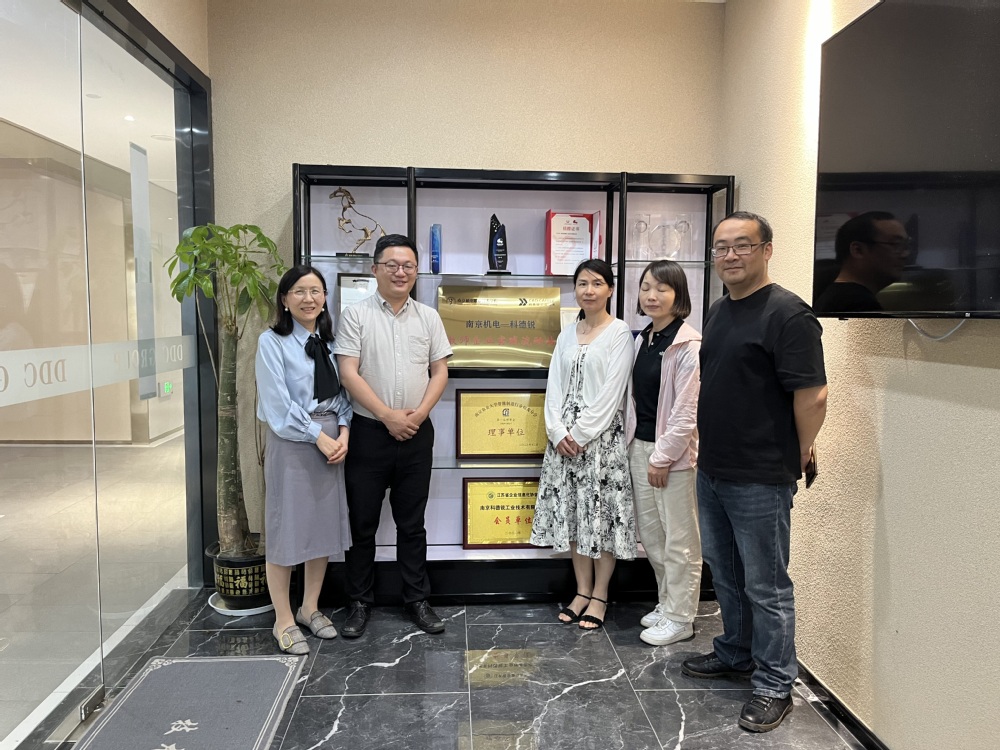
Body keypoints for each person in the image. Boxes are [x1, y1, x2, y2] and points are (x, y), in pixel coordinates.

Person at [682, 212, 827, 733]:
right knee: (725, 574)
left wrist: (799, 450)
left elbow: (813, 395)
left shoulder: (789, 314)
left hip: (761, 475)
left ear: (766, 250)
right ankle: (735, 652)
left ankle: (774, 683)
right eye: (721, 248)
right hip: (714, 468)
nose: (730, 255)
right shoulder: (720, 310)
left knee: (766, 586)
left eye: (742, 245)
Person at [334, 233, 452, 636]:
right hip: (369, 433)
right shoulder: (356, 315)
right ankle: (359, 602)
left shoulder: (428, 317)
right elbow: (348, 372)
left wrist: (417, 415)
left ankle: (417, 599)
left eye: (408, 266)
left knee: (412, 523)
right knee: (362, 524)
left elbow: (440, 371)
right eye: (392, 265)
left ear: (416, 271)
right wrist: (387, 417)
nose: (400, 272)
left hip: (417, 432)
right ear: (375, 269)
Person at [530, 258, 636, 631]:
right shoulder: (566, 333)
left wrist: (580, 433)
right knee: (575, 517)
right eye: (582, 284)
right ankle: (581, 591)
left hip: (600, 442)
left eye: (597, 283)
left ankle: (600, 595)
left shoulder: (619, 333)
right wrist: (557, 432)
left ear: (610, 289)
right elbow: (554, 387)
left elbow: (612, 393)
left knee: (601, 519)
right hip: (564, 443)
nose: (588, 290)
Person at [255, 265, 353, 655]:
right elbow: (277, 406)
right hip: (293, 442)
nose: (308, 298)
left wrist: (343, 432)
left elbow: (341, 396)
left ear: (325, 298)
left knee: (321, 527)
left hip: (331, 440)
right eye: (299, 291)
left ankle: (309, 607)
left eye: (315, 291)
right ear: (284, 300)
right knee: (286, 529)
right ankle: (283, 619)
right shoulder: (271, 342)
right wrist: (320, 438)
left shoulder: (330, 343)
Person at [624, 260, 702, 647]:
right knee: (653, 536)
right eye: (645, 287)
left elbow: (687, 413)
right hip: (640, 446)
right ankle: (667, 602)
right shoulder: (644, 339)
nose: (651, 295)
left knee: (679, 539)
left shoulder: (688, 345)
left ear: (678, 295)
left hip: (672, 456)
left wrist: (662, 457)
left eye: (662, 288)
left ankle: (681, 617)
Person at [813, 211, 910, 313]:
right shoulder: (855, 304)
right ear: (858, 250)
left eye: (906, 245)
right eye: (895, 244)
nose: (905, 254)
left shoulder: (839, 297)